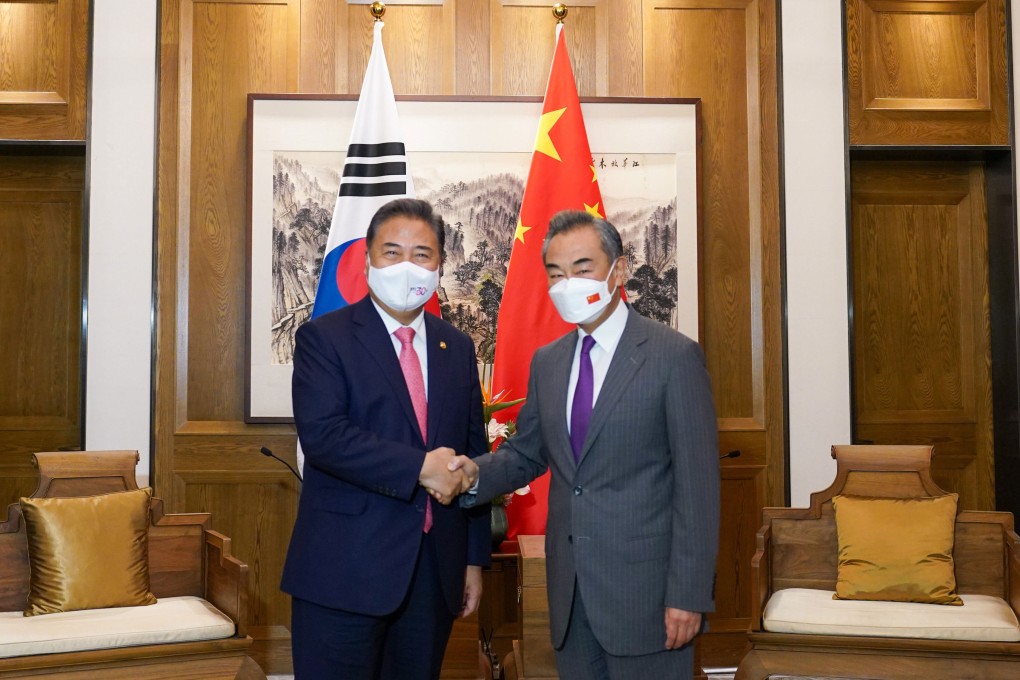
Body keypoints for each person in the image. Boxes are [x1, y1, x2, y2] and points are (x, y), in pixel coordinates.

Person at [448, 210, 720, 680]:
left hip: (649, 598)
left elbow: (698, 491)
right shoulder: (549, 362)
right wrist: (469, 475)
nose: (567, 284)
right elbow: (526, 453)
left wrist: (689, 595)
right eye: (556, 273)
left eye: (582, 268)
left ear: (619, 270)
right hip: (570, 597)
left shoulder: (673, 357)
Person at [281, 198, 490, 680]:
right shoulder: (324, 338)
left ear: (440, 265)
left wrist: (473, 561)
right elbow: (326, 437)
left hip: (433, 573)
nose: (406, 266)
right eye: (392, 252)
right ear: (367, 260)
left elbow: (474, 458)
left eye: (422, 254)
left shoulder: (457, 347)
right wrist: (420, 467)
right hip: (344, 570)